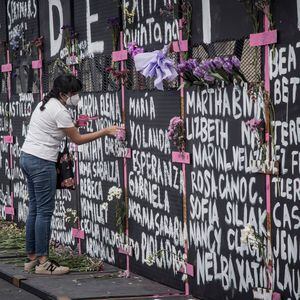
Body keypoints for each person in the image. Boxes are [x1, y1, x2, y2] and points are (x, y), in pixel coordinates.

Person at [20, 74, 121, 275]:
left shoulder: (45, 103)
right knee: (44, 212)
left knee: (34, 209)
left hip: (27, 157)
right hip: (42, 162)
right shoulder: (60, 111)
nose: (76, 96)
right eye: (74, 93)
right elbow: (78, 140)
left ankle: (32, 258)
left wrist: (73, 124)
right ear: (64, 93)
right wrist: (105, 131)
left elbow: (56, 129)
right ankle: (43, 262)